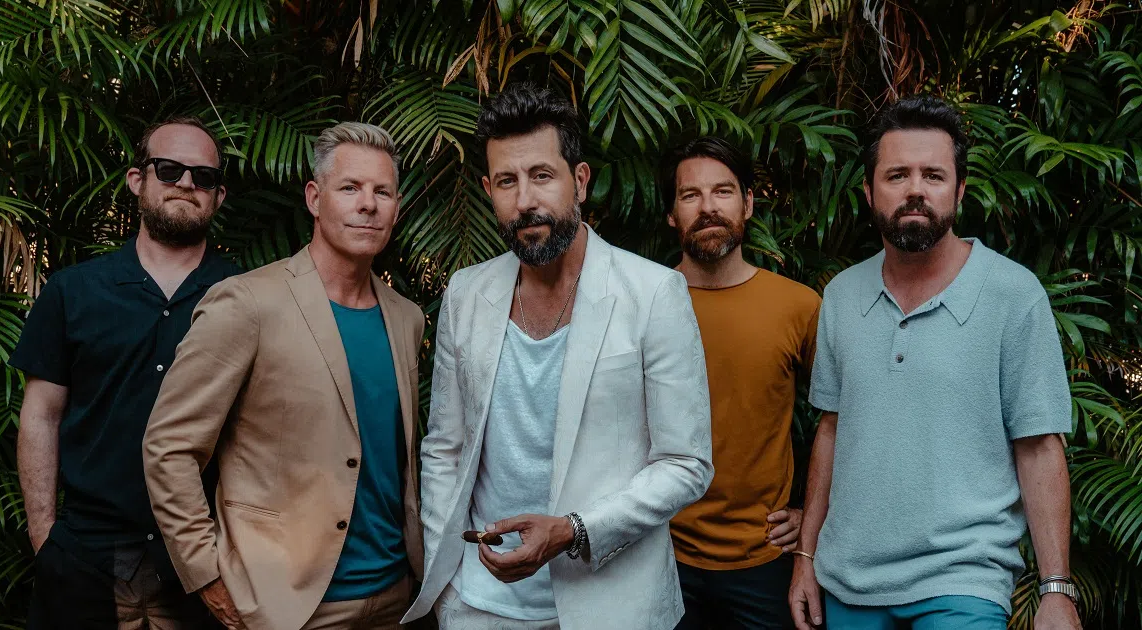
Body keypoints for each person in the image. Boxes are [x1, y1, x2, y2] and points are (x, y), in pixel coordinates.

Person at [400, 82, 714, 630]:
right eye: (507, 181)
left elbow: (686, 464)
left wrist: (573, 530)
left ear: (581, 180)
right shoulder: (466, 293)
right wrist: (448, 583)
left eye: (542, 175)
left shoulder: (653, 292)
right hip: (479, 605)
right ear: (488, 190)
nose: (525, 200)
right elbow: (445, 447)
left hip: (611, 606)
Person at [788, 95, 1082, 630]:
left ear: (960, 190)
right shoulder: (841, 295)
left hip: (963, 581)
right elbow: (831, 428)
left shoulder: (1013, 295)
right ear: (869, 191)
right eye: (897, 175)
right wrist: (806, 557)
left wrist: (1056, 589)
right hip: (848, 581)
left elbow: (1039, 446)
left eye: (934, 175)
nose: (916, 189)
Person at [142, 122, 425, 630]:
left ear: (397, 208)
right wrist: (206, 576)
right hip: (286, 605)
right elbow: (170, 447)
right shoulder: (248, 303)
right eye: (350, 188)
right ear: (314, 198)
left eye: (382, 192)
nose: (368, 204)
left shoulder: (407, 318)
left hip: (394, 596)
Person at [12, 117, 238, 628]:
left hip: (204, 558)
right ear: (138, 180)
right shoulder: (73, 291)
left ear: (218, 196)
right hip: (87, 555)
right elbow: (41, 416)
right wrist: (45, 538)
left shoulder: (245, 296)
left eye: (203, 177)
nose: (186, 183)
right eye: (169, 169)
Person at [664, 137, 820, 629]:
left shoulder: (799, 306)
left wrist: (814, 514)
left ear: (748, 204)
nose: (707, 207)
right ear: (671, 214)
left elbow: (846, 419)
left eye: (723, 191)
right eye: (690, 195)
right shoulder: (641, 304)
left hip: (766, 558)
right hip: (662, 555)